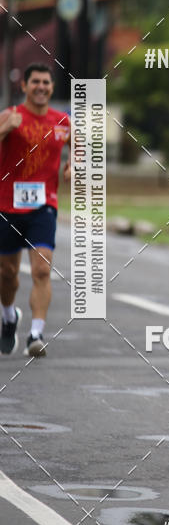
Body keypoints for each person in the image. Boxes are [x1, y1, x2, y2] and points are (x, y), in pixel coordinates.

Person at [0, 64, 71, 357]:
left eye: (46, 82)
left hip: (44, 206)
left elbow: (79, 152)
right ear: (25, 87)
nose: (41, 87)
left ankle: (35, 335)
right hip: (6, 206)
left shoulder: (63, 122)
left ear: (52, 88)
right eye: (35, 82)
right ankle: (8, 317)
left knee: (42, 268)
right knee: (7, 273)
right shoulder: (10, 116)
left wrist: (74, 166)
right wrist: (5, 128)